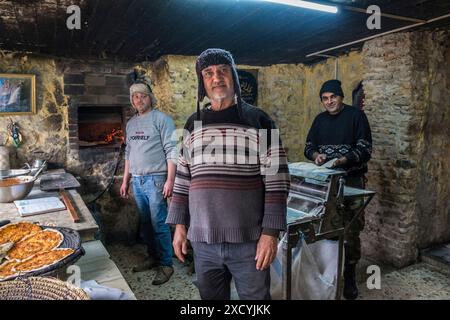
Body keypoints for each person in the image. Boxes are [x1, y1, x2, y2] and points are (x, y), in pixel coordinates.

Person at [166, 48, 290, 300]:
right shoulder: (193, 124)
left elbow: (278, 179)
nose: (216, 77)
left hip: (249, 242)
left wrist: (270, 233)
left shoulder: (259, 120)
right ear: (202, 82)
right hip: (204, 242)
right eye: (208, 73)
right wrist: (180, 226)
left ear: (232, 75)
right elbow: (182, 180)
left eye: (223, 70)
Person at [304, 79, 372, 300]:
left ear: (341, 97)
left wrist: (341, 160)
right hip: (326, 184)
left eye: (333, 97)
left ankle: (350, 278)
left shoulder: (356, 117)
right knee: (328, 230)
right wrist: (317, 156)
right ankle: (330, 274)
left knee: (350, 232)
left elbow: (365, 149)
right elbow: (308, 147)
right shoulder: (320, 120)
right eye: (325, 98)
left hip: (351, 182)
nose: (329, 101)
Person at [120, 81, 177, 285]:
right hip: (137, 179)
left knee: (159, 223)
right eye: (135, 97)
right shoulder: (131, 124)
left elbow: (172, 150)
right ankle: (153, 257)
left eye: (143, 95)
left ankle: (166, 264)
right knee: (145, 223)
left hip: (156, 179)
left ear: (150, 98)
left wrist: (170, 180)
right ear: (132, 101)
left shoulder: (162, 119)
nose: (139, 99)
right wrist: (125, 180)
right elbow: (129, 153)